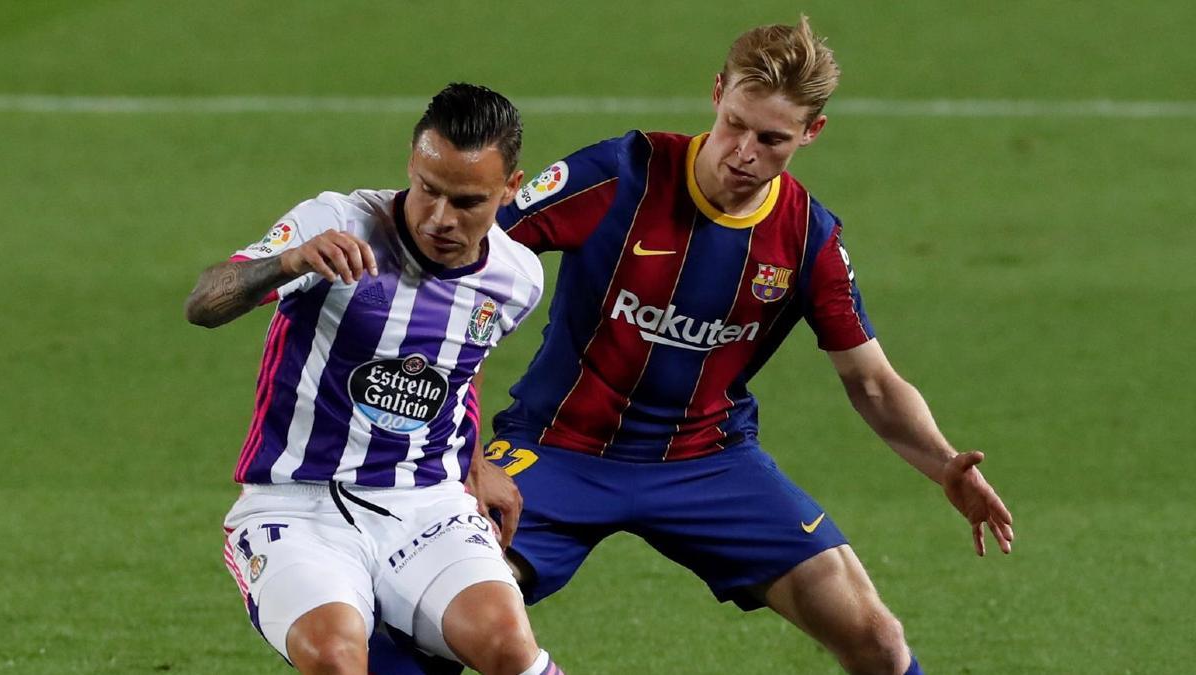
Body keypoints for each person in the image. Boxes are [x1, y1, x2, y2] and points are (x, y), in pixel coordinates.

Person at [467, 17, 1015, 674]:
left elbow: (871, 380)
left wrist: (944, 462)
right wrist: (465, 451)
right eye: (735, 123)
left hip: (709, 463)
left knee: (879, 640)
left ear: (811, 133)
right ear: (717, 92)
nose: (744, 150)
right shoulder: (618, 175)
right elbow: (462, 262)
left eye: (772, 138)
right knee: (443, 610)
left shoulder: (808, 238)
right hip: (557, 449)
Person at [185, 83, 565, 675]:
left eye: (466, 203)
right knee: (338, 657)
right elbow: (204, 303)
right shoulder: (334, 222)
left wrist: (474, 467)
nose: (440, 218)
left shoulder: (517, 278)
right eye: (428, 190)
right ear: (413, 164)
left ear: (510, 190)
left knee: (508, 648)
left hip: (426, 504)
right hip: (299, 503)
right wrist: (288, 262)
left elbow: (461, 362)